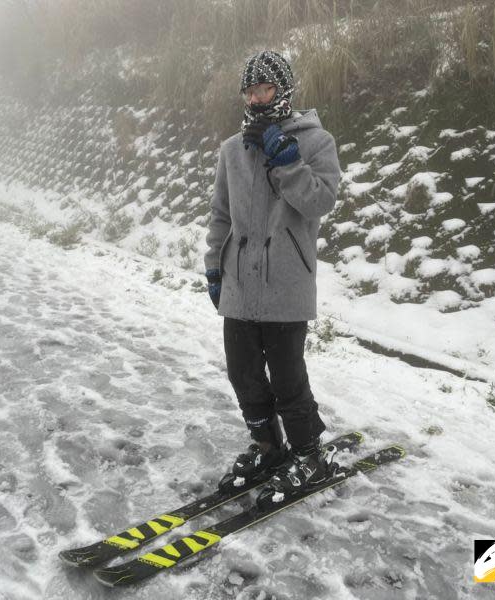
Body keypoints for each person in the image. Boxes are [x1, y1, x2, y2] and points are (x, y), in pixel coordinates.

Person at [203, 50, 342, 505]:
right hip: (240, 281)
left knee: (287, 377)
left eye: (265, 88)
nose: (257, 98)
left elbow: (320, 202)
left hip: (286, 278)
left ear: (283, 90)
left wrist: (287, 160)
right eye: (250, 89)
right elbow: (220, 215)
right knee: (243, 373)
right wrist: (212, 265)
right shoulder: (231, 149)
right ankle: (268, 447)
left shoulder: (316, 143)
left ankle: (307, 453)